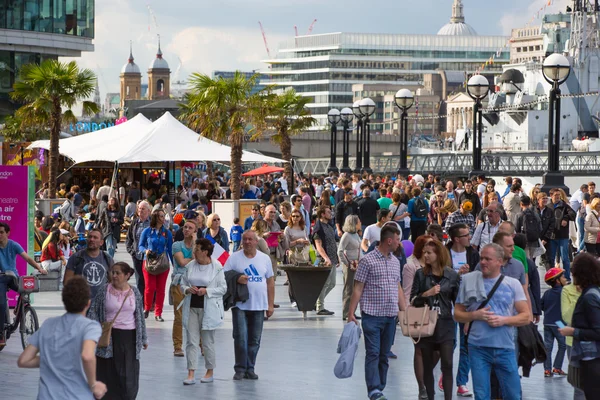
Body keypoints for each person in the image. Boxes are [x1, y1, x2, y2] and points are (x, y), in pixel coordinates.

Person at [454, 243, 530, 400]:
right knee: (481, 395)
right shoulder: (469, 281)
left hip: (505, 348)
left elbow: (526, 316)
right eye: (481, 258)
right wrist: (475, 315)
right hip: (478, 348)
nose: (483, 262)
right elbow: (457, 314)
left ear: (499, 262)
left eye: (488, 259)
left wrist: (504, 320)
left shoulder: (512, 284)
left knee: (513, 394)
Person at [17, 276, 107, 399]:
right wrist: (93, 384)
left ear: (64, 301)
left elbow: (24, 360)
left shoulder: (48, 324)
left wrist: (53, 359)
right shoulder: (90, 327)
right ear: (88, 302)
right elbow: (87, 356)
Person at [347, 224, 406, 400]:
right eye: (397, 240)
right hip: (372, 315)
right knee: (373, 352)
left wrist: (405, 312)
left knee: (384, 354)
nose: (399, 243)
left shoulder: (396, 262)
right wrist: (351, 313)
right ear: (389, 240)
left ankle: (379, 386)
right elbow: (357, 288)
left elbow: (398, 287)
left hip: (390, 316)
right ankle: (374, 390)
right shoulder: (367, 261)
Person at [88, 262, 148, 399]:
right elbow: (93, 312)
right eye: (112, 272)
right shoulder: (104, 290)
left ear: (127, 275)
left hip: (129, 337)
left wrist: (144, 338)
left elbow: (139, 316)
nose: (114, 276)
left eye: (117, 273)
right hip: (108, 336)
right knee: (107, 371)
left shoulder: (134, 292)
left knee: (128, 374)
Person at [410, 240, 459, 400]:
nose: (425, 255)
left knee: (447, 363)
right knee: (427, 363)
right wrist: (426, 294)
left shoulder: (451, 275)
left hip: (445, 323)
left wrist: (465, 321)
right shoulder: (420, 274)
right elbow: (413, 300)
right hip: (426, 322)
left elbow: (457, 301)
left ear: (438, 255)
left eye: (429, 253)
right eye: (424, 252)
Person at [224, 230, 274, 380]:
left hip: (259, 306)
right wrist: (237, 278)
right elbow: (223, 275)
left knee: (254, 340)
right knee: (240, 338)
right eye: (244, 239)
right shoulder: (234, 258)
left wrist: (270, 305)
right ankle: (240, 368)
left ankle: (250, 367)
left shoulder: (264, 259)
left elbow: (270, 282)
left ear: (256, 241)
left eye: (250, 239)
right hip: (240, 305)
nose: (247, 242)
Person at [180, 238, 227, 385]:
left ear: (205, 252)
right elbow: (182, 283)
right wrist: (188, 289)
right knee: (191, 341)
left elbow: (223, 289)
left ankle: (209, 371)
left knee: (207, 342)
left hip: (209, 308)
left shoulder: (217, 266)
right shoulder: (190, 266)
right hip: (192, 307)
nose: (194, 252)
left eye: (197, 249)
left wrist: (207, 291)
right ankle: (191, 372)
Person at [558, 253, 600, 398]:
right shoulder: (592, 293)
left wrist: (574, 332)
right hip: (588, 356)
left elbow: (597, 331)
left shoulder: (590, 297)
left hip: (591, 357)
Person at [0, 222, 47, 345]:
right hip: (1, 278)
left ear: (7, 233)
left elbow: (28, 258)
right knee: (1, 303)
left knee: (25, 289)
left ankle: (20, 309)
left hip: (12, 277)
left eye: (1, 232)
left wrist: (39, 268)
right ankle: (0, 333)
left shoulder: (13, 245)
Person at [138, 209, 174, 322]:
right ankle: (147, 308)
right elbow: (140, 246)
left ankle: (158, 313)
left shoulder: (167, 233)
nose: (164, 219)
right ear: (156, 218)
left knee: (161, 289)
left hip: (163, 264)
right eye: (161, 216)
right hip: (149, 263)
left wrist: (174, 265)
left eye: (164, 216)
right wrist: (146, 251)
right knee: (150, 287)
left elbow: (170, 249)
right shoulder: (147, 231)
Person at [64, 228, 114, 301]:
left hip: (100, 303)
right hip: (81, 303)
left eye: (95, 237)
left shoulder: (107, 259)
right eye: (90, 237)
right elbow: (67, 282)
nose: (92, 239)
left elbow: (113, 282)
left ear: (101, 242)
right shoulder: (76, 257)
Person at [171, 219, 197, 357]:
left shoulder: (196, 245)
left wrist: (194, 243)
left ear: (195, 231)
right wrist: (193, 260)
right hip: (179, 283)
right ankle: (177, 346)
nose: (186, 230)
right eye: (185, 227)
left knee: (197, 316)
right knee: (179, 316)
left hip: (194, 283)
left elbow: (196, 258)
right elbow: (182, 262)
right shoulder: (176, 245)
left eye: (190, 228)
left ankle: (200, 345)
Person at [560, 279, 585, 400]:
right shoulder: (567, 290)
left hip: (594, 342)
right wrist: (579, 296)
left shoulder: (595, 290)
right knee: (579, 385)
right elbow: (567, 318)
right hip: (573, 343)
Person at [541, 267, 568, 377]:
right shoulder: (564, 292)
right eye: (562, 276)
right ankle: (557, 367)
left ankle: (547, 370)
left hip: (547, 322)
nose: (565, 278)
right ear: (557, 280)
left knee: (548, 347)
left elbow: (541, 305)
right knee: (562, 345)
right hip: (559, 323)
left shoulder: (547, 293)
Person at [313, 206, 339, 316]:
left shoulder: (329, 226)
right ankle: (320, 306)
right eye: (328, 212)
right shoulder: (318, 228)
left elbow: (332, 242)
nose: (331, 213)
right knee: (324, 283)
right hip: (324, 260)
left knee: (332, 283)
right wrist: (326, 258)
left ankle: (316, 301)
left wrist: (336, 258)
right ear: (322, 214)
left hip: (332, 259)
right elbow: (318, 245)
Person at [125, 201, 151, 303]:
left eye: (143, 209)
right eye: (139, 209)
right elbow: (129, 238)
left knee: (149, 280)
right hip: (137, 256)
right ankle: (141, 301)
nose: (140, 211)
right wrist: (131, 251)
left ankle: (150, 301)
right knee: (139, 279)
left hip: (149, 257)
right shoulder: (135, 222)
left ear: (149, 211)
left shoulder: (152, 222)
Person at [548, 188, 576, 280]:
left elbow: (573, 214)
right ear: (551, 196)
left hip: (563, 235)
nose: (558, 197)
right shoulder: (548, 206)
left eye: (559, 195)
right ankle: (552, 276)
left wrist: (566, 218)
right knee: (551, 258)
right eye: (556, 195)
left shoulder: (564, 205)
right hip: (552, 236)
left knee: (565, 258)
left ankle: (567, 277)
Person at [338, 215, 362, 321]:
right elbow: (340, 251)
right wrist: (347, 263)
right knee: (349, 289)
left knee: (355, 289)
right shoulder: (346, 235)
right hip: (350, 265)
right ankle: (346, 312)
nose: (360, 223)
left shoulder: (356, 234)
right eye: (358, 222)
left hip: (357, 264)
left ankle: (352, 311)